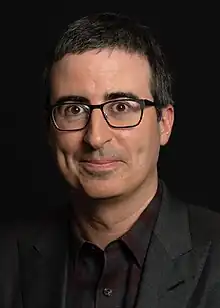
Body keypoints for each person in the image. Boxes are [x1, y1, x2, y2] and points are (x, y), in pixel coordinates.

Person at [1, 12, 220, 308]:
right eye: (74, 109)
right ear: (49, 129)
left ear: (164, 124)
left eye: (121, 106)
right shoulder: (8, 258)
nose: (95, 137)